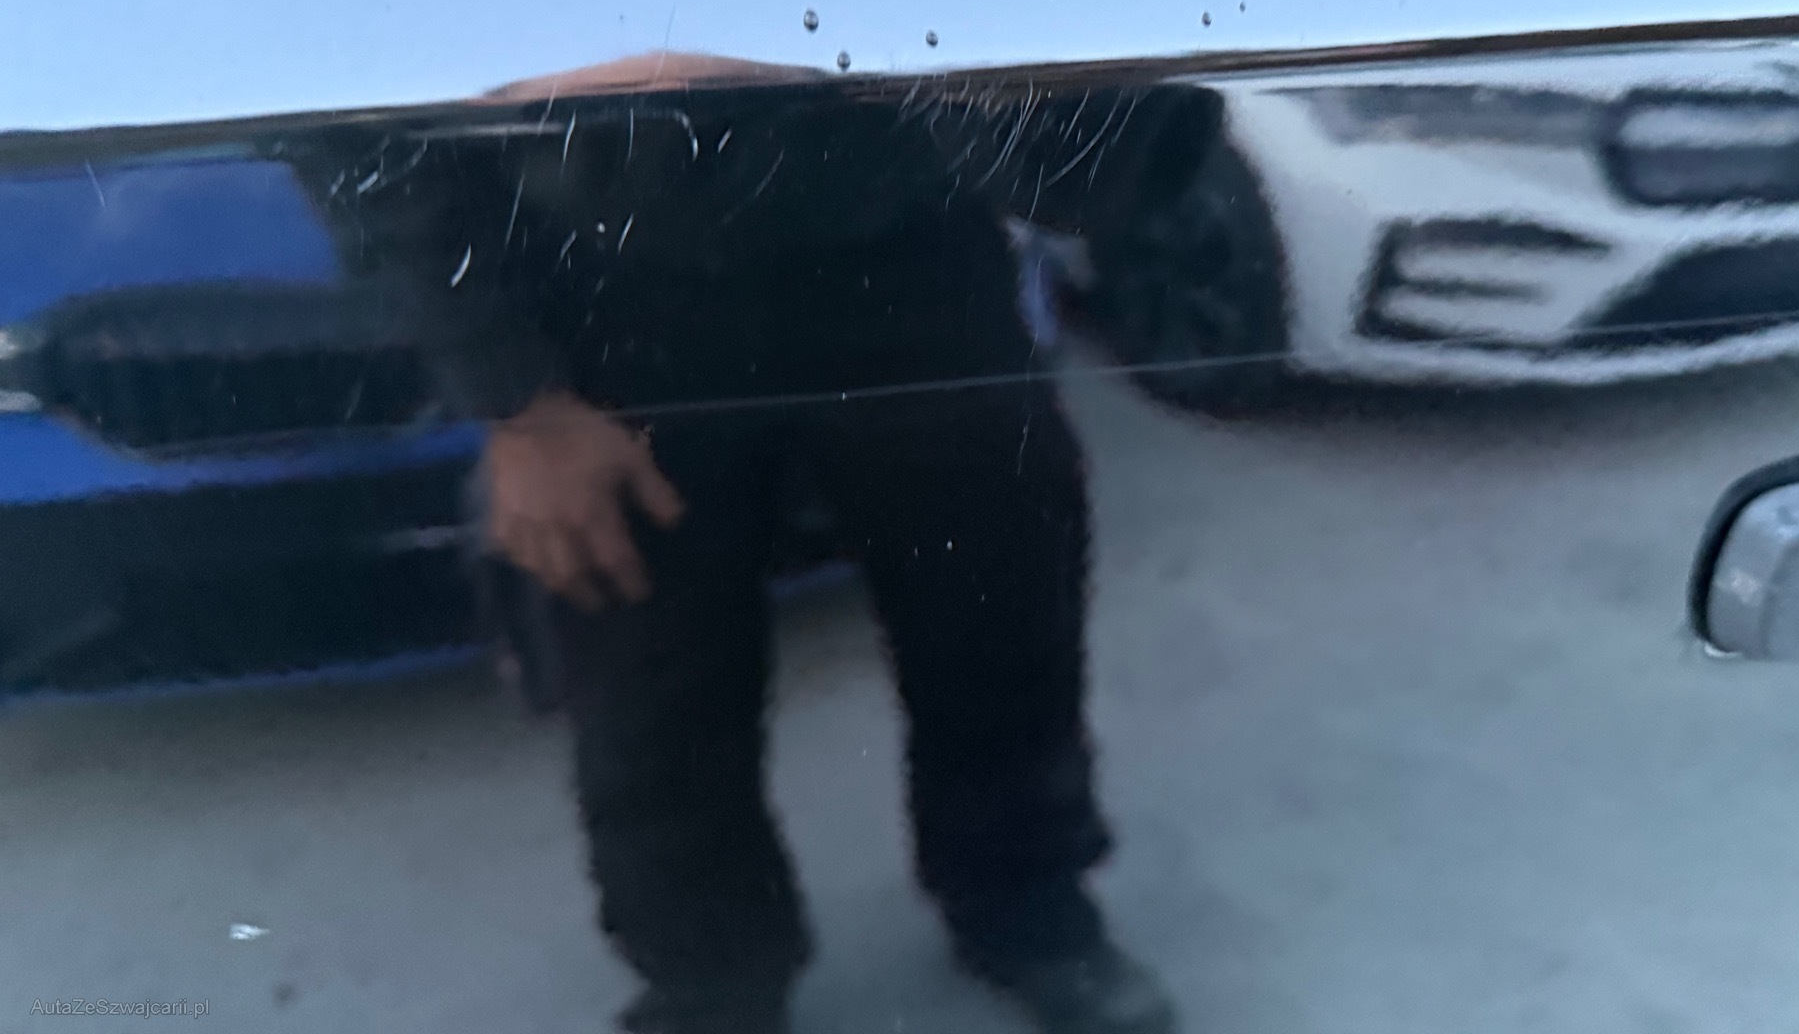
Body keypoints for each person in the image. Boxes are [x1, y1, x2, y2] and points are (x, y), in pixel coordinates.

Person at [298, 56, 1175, 1034]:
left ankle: (1027, 904)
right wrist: (520, 400)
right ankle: (712, 981)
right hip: (599, 293)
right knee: (645, 686)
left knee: (1001, 606)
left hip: (908, 249)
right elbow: (363, 115)